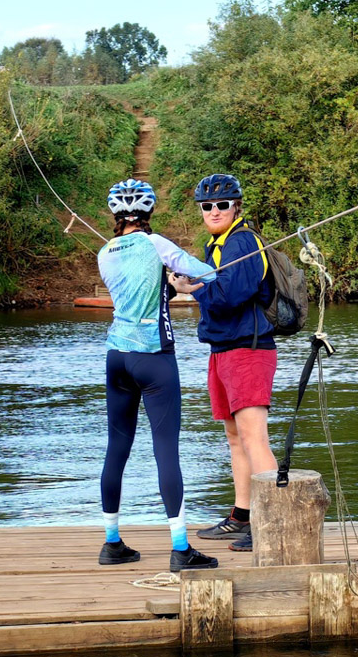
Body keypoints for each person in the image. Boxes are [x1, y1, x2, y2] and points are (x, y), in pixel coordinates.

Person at [96, 178, 219, 572]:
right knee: (166, 449)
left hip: (117, 356)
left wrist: (170, 286)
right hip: (154, 358)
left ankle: (112, 544)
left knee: (117, 446)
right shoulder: (156, 244)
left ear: (116, 215)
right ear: (148, 213)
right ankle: (181, 550)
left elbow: (135, 292)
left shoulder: (104, 251)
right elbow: (207, 273)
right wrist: (186, 281)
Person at [170, 173, 278, 553]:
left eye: (221, 205)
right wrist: (187, 285)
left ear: (237, 207)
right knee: (235, 438)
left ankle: (270, 523)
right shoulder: (214, 245)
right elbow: (215, 286)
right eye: (206, 206)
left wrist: (193, 288)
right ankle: (242, 516)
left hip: (249, 350)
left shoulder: (244, 242)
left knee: (253, 437)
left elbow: (232, 292)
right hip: (222, 350)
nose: (214, 211)